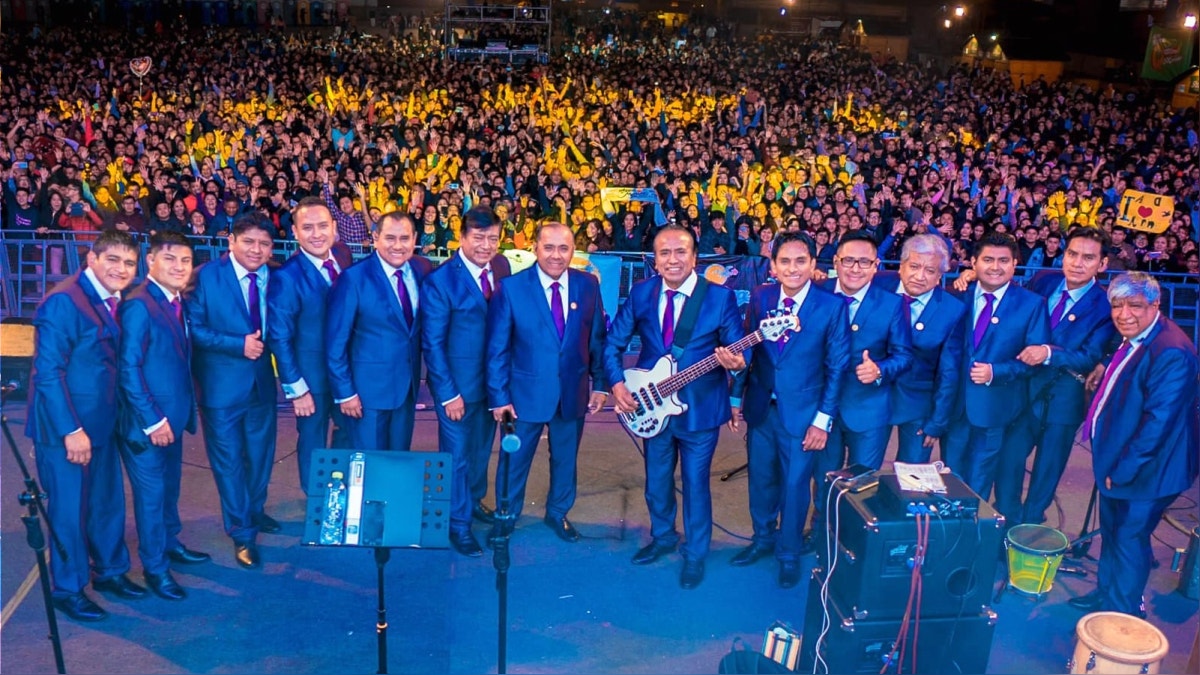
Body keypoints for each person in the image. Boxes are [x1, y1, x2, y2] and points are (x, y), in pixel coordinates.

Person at [605, 226, 746, 589]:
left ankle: (695, 554)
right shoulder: (641, 293)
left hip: (700, 409)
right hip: (651, 405)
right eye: (664, 253)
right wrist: (617, 384)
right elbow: (612, 343)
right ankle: (663, 536)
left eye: (680, 252)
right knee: (656, 482)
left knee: (696, 484)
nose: (672, 259)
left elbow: (737, 349)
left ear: (695, 256)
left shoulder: (719, 298)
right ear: (654, 260)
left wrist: (735, 362)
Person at [26, 229, 142, 621]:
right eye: (112, 260)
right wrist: (70, 430)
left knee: (107, 503)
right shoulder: (64, 301)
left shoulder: (111, 297)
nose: (121, 269)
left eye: (129, 263)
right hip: (68, 431)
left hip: (102, 425)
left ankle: (110, 571)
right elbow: (47, 374)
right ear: (91, 259)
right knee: (69, 511)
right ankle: (69, 587)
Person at [1070, 272, 1199, 616]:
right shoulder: (1138, 335)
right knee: (1113, 534)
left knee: (1128, 540)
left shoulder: (1172, 351)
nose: (1124, 314)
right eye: (1117, 305)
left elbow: (1158, 423)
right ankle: (1108, 594)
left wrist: (1122, 470)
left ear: (1156, 304)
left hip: (1147, 471)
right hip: (1123, 461)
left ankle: (1122, 616)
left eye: (1135, 306)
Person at [728, 231, 849, 588]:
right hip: (762, 408)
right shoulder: (762, 297)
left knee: (796, 486)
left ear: (813, 265)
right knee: (761, 481)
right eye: (785, 261)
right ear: (773, 265)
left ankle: (788, 552)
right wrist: (737, 395)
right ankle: (762, 539)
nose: (792, 268)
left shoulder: (831, 307)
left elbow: (837, 367)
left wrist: (822, 422)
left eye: (800, 261)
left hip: (804, 416)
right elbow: (748, 352)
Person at [486, 222, 608, 544]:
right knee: (514, 460)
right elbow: (497, 348)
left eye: (564, 248)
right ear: (535, 249)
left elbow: (597, 339)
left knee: (565, 460)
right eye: (549, 247)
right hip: (522, 397)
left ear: (573, 251)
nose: (556, 255)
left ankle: (558, 513)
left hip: (572, 394)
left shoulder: (588, 285)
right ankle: (506, 515)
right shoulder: (510, 289)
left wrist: (600, 384)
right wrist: (499, 397)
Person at [116, 232, 208, 601]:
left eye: (185, 261)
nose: (179, 267)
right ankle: (155, 569)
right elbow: (128, 368)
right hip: (147, 425)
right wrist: (152, 420)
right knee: (151, 498)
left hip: (171, 420)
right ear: (150, 260)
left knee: (169, 490)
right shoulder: (139, 304)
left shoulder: (174, 300)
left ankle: (170, 543)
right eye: (170, 259)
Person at [185, 214, 281, 570]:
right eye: (249, 242)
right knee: (229, 464)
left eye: (264, 243)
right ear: (231, 242)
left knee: (260, 457)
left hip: (262, 385)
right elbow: (193, 328)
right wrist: (235, 344)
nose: (257, 250)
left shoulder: (277, 276)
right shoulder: (206, 276)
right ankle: (242, 533)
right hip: (220, 389)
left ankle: (253, 511)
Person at [1004, 227, 1115, 526]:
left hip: (1063, 399)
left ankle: (1026, 532)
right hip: (1024, 392)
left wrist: (1048, 353)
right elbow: (1013, 302)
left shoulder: (1106, 305)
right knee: (1009, 462)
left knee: (1046, 473)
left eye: (1088, 258)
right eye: (1073, 254)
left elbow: (1090, 355)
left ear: (1102, 265)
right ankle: (1006, 522)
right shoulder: (1044, 281)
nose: (1077, 263)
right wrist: (974, 277)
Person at [421, 206, 513, 556]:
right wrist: (446, 394)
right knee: (456, 457)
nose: (486, 245)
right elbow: (433, 342)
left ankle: (472, 502)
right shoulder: (441, 281)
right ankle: (458, 525)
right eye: (478, 238)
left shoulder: (501, 268)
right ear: (461, 237)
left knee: (478, 453)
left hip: (492, 389)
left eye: (492, 238)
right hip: (456, 391)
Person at [944, 232, 1050, 517]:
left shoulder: (1032, 304)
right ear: (973, 263)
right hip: (954, 408)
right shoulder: (958, 294)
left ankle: (972, 547)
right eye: (987, 259)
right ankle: (946, 546)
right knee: (949, 481)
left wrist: (996, 372)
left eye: (1004, 261)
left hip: (996, 410)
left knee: (978, 483)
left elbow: (1035, 360)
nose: (995, 267)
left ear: (1015, 263)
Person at [326, 212, 433, 452]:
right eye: (390, 238)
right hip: (366, 396)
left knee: (397, 465)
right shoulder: (353, 279)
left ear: (415, 238)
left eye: (404, 238)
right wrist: (345, 393)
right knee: (368, 467)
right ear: (375, 238)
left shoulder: (420, 270)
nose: (398, 245)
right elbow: (336, 343)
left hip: (406, 391)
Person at [266, 197, 349, 495]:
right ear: (295, 233)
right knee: (313, 440)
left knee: (348, 436)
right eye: (308, 228)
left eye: (323, 226)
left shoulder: (343, 255)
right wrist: (296, 387)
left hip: (346, 377)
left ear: (335, 228)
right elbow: (279, 336)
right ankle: (316, 502)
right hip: (310, 382)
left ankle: (340, 496)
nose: (317, 234)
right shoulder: (287, 277)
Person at [818, 230, 912, 477]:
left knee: (862, 487)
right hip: (821, 408)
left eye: (865, 262)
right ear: (836, 261)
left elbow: (904, 356)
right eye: (848, 260)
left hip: (868, 410)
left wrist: (880, 370)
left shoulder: (892, 304)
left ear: (875, 266)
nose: (855, 269)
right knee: (824, 484)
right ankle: (823, 518)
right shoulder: (817, 293)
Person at [876, 234, 965, 463]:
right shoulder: (876, 288)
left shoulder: (952, 310)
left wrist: (937, 421)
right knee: (862, 473)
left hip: (919, 405)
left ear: (939, 276)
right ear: (902, 265)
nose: (919, 276)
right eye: (914, 266)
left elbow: (949, 372)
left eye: (930, 271)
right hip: (871, 399)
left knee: (911, 479)